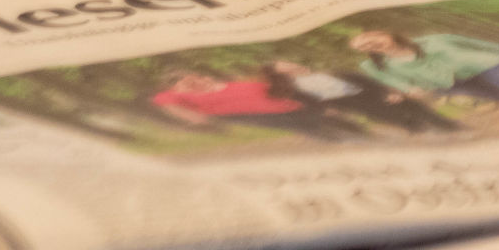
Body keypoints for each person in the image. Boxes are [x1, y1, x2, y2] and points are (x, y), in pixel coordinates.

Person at [348, 30, 499, 112]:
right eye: (363, 47)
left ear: (384, 33)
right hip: (449, 83)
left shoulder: (436, 39)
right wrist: (410, 89)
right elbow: (393, 81)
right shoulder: (372, 66)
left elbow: (478, 44)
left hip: (485, 63)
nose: (369, 46)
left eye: (370, 39)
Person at [147, 70, 368, 142]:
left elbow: (274, 89)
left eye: (193, 77)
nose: (193, 81)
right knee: (314, 129)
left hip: (289, 105)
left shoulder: (232, 84)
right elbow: (176, 109)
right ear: (174, 87)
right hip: (256, 116)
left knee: (334, 121)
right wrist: (197, 121)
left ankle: (362, 135)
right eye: (184, 81)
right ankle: (347, 143)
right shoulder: (169, 96)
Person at [266, 58, 460, 135]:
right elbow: (311, 103)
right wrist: (326, 109)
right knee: (397, 118)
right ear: (283, 75)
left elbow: (366, 81)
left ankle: (450, 128)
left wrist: (390, 91)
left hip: (369, 93)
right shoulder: (297, 89)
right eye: (287, 69)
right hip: (353, 103)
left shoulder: (334, 70)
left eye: (290, 64)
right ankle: (426, 134)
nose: (293, 67)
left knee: (413, 107)